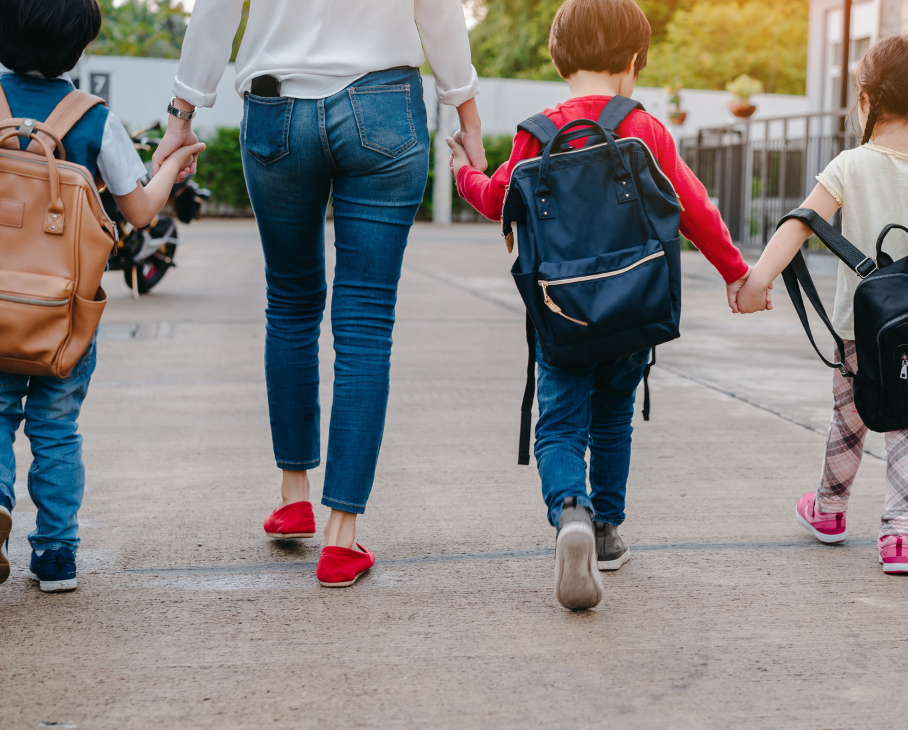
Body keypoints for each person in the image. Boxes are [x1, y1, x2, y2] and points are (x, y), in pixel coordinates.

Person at [152, 0, 485, 588]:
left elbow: (216, 11)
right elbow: (437, 10)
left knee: (291, 302)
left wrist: (181, 115)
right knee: (365, 323)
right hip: (385, 107)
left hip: (277, 108)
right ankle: (341, 537)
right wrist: (466, 111)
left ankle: (293, 496)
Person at [447, 0, 753, 609]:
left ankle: (572, 514)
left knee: (560, 423)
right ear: (634, 61)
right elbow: (696, 210)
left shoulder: (538, 133)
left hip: (562, 314)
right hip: (635, 310)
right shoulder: (645, 129)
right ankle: (607, 533)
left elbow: (494, 200)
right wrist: (737, 274)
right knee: (614, 417)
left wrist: (463, 171)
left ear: (560, 60)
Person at [737, 34, 908, 575]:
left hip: (858, 331)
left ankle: (830, 511)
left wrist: (758, 280)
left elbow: (800, 222)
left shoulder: (849, 165)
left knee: (849, 422)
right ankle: (900, 539)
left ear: (865, 100)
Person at [0, 0, 204, 592]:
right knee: (57, 429)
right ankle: (57, 555)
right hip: (64, 315)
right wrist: (175, 165)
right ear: (79, 47)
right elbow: (139, 210)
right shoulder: (93, 118)